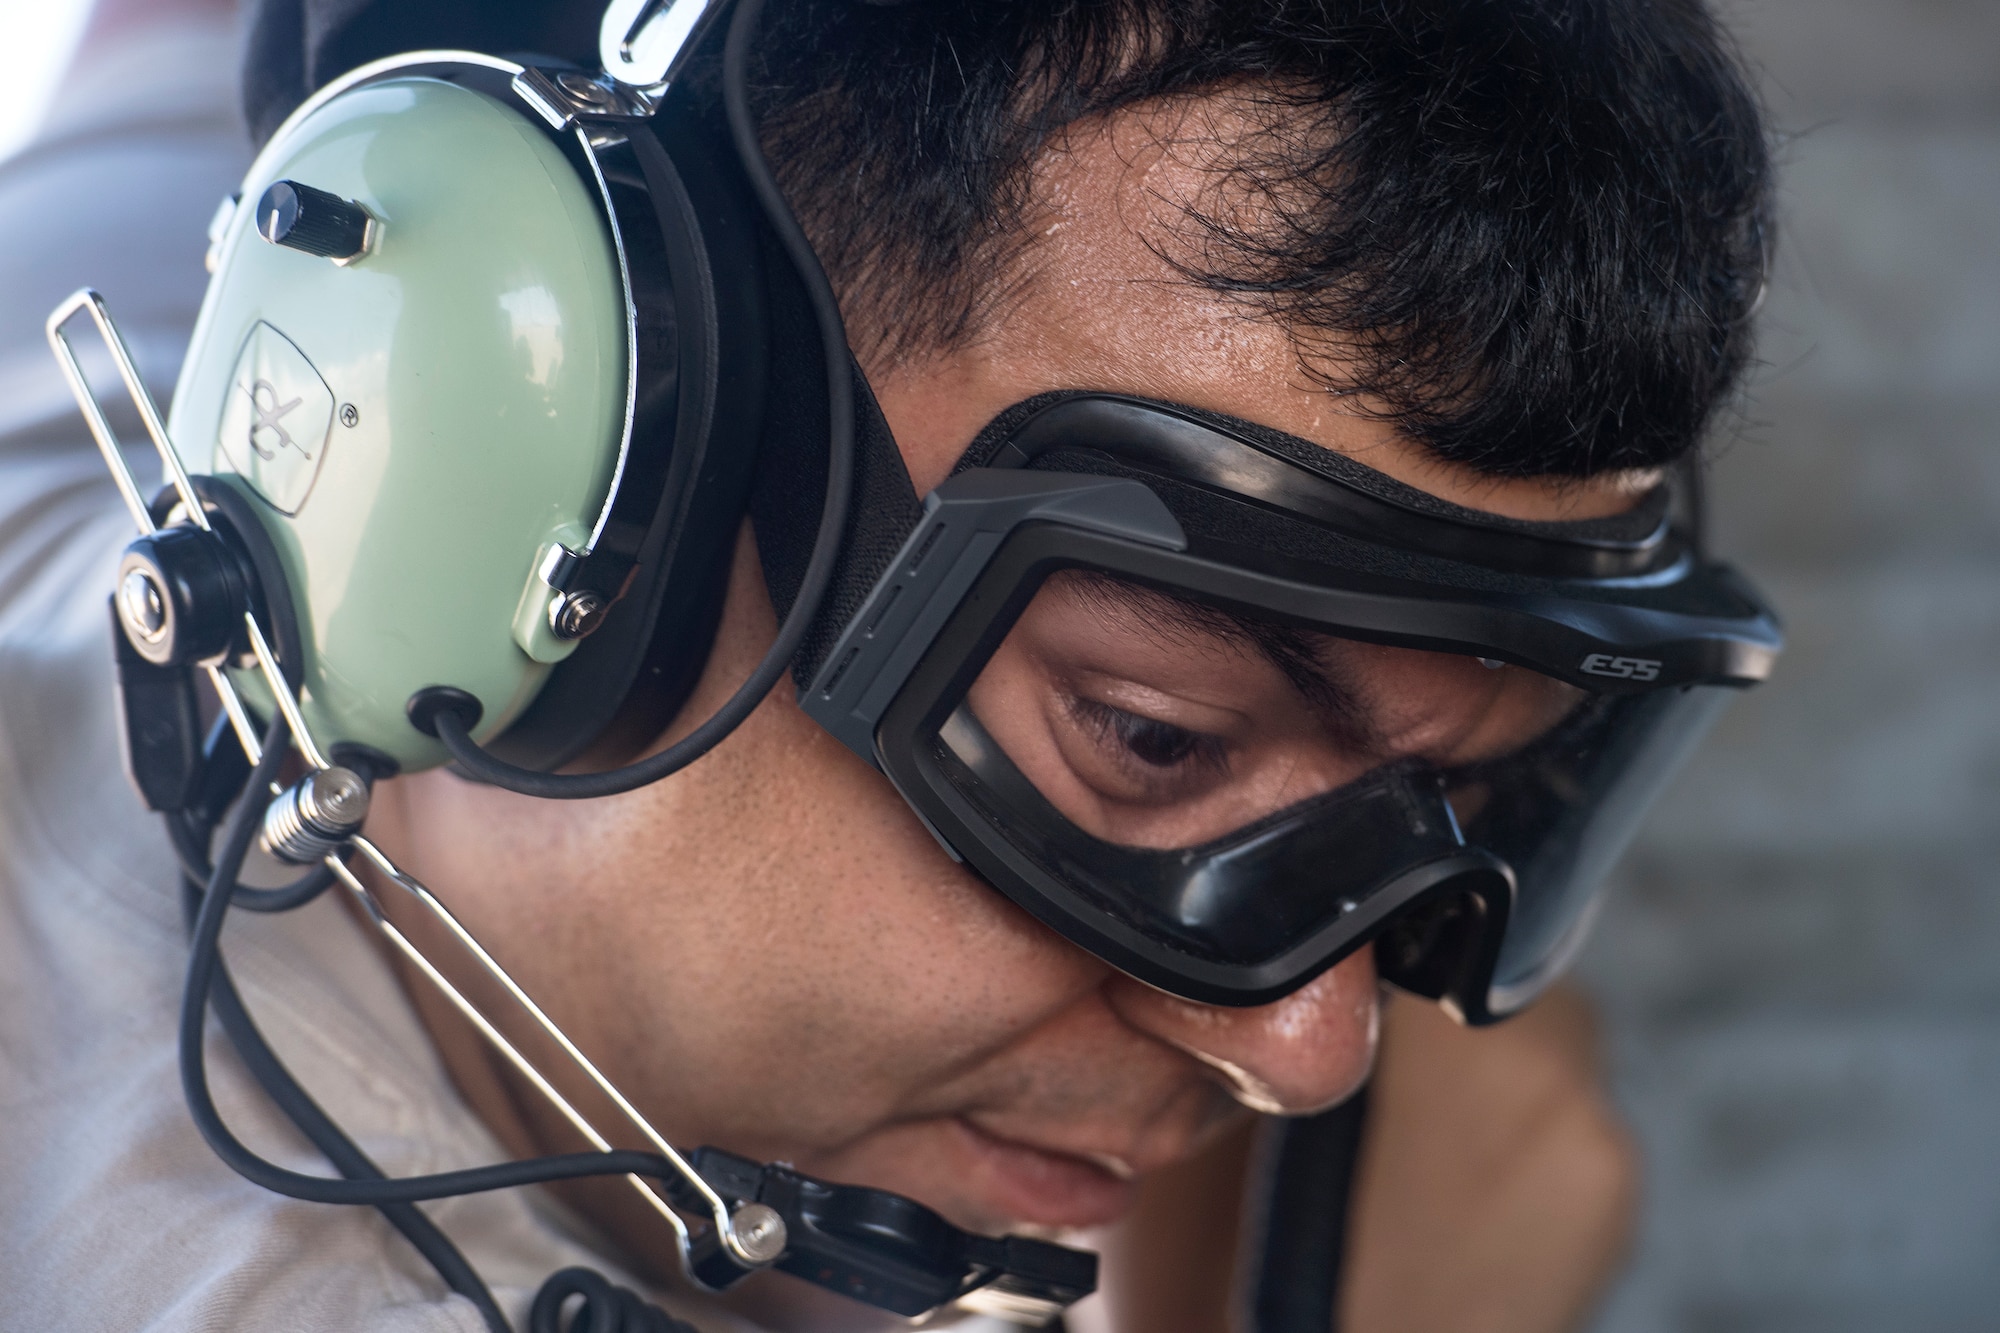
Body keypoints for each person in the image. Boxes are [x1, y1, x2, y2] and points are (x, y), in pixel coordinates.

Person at [0, 0, 1772, 1330]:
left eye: (1456, 790)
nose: (1316, 1048)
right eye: (1155, 740)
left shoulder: (181, 336)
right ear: (559, 490)